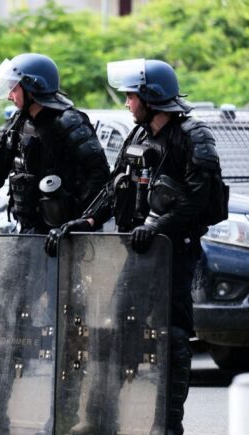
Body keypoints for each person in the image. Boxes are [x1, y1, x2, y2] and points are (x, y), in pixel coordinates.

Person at [46, 58, 222, 435]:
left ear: (150, 96)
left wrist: (158, 225)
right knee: (114, 333)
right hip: (135, 251)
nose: (126, 102)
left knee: (172, 336)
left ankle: (168, 424)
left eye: (130, 95)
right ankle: (101, 418)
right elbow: (115, 187)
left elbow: (198, 197)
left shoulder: (193, 136)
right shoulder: (138, 135)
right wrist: (88, 219)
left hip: (175, 254)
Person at [0, 53, 110, 264]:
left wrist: (80, 223)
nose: (9, 95)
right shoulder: (18, 124)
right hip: (28, 234)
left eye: (14, 88)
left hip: (67, 239)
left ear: (33, 88)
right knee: (12, 294)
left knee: (64, 297)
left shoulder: (70, 122)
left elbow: (100, 176)